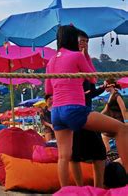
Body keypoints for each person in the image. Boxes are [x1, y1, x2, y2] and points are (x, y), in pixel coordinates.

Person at [45, 25, 128, 187]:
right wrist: (86, 56)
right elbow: (92, 79)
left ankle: (66, 191)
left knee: (64, 156)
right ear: (73, 39)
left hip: (57, 113)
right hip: (74, 110)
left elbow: (48, 90)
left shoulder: (51, 61)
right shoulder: (76, 56)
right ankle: (127, 174)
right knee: (122, 129)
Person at [70, 30, 107, 188]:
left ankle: (98, 187)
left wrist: (103, 88)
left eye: (86, 41)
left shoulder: (86, 62)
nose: (84, 44)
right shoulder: (70, 60)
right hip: (74, 112)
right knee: (74, 154)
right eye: (81, 41)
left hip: (87, 111)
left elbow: (91, 88)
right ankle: (79, 188)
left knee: (99, 152)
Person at [101, 78, 128, 152]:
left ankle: (108, 153)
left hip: (118, 121)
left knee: (104, 136)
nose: (104, 87)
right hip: (114, 121)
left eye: (105, 85)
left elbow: (123, 109)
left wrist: (126, 122)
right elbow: (106, 109)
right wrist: (96, 115)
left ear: (111, 86)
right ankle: (109, 153)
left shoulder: (117, 95)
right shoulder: (111, 95)